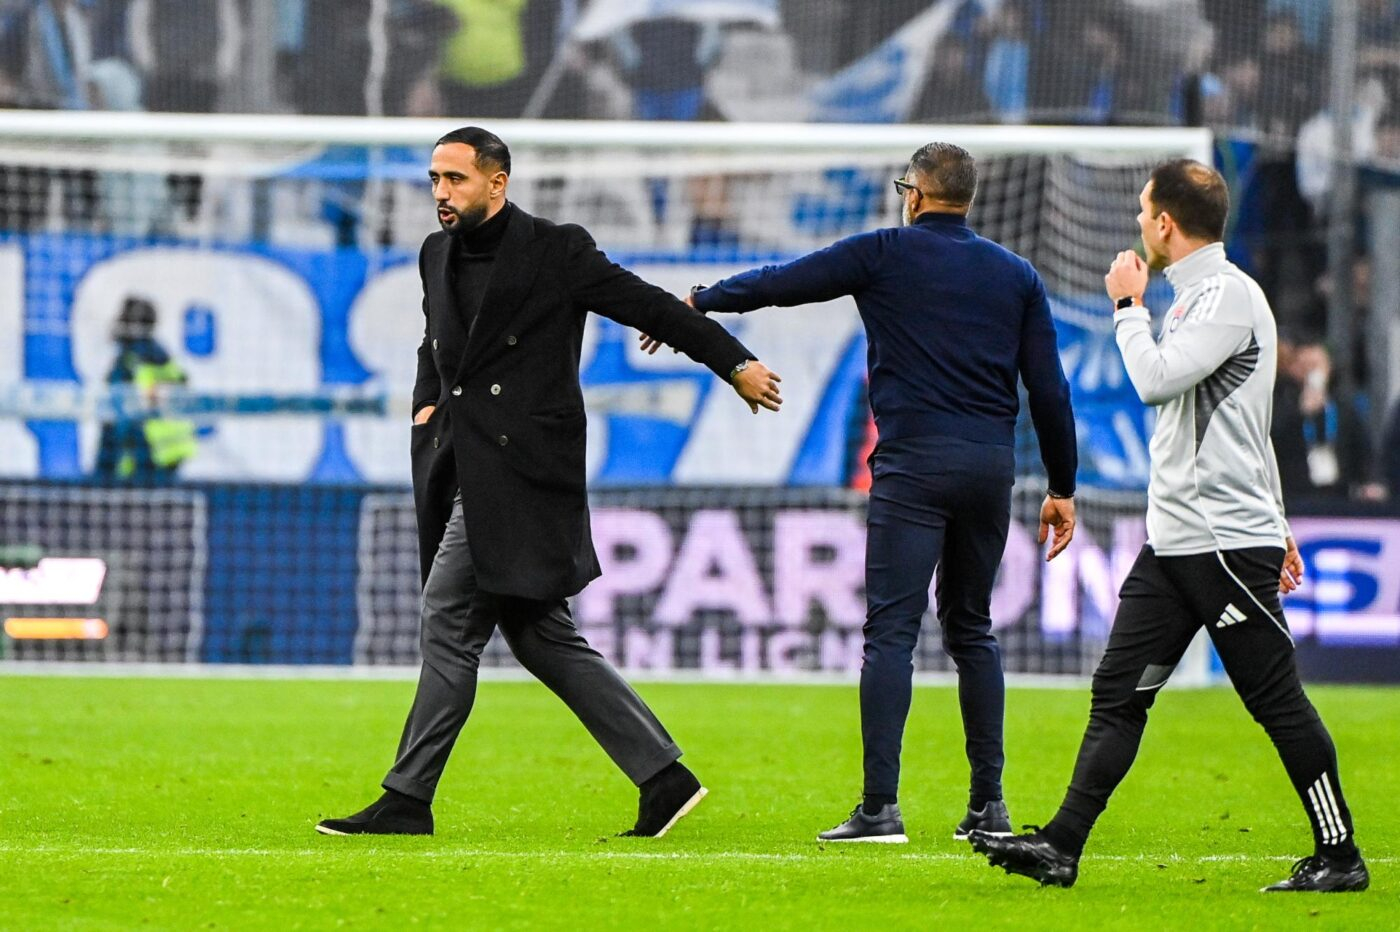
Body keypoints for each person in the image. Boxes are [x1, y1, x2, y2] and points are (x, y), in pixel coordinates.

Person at [316, 126, 783, 838]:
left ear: (497, 182)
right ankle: (665, 778)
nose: (441, 192)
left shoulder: (556, 249)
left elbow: (649, 307)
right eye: (435, 179)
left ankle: (407, 797)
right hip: (460, 461)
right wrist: (425, 403)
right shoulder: (435, 253)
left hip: (525, 472)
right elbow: (433, 342)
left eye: (455, 179)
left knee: (447, 614)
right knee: (539, 635)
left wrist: (734, 363)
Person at [644, 142, 1078, 844]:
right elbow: (1050, 390)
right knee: (972, 629)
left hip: (913, 466)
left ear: (915, 195)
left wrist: (700, 299)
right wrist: (1062, 485)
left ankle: (881, 808)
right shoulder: (1016, 274)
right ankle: (988, 807)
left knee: (892, 633)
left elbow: (783, 282)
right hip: (989, 469)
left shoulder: (883, 252)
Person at [969, 159, 1369, 893]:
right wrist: (1281, 522)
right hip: (1178, 540)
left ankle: (1340, 855)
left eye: (1142, 210)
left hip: (1221, 543)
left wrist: (1127, 306)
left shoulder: (1227, 295)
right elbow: (1250, 430)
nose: (1136, 224)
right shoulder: (1194, 298)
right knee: (1118, 693)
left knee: (1275, 699)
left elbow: (1155, 382)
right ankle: (1061, 845)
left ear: (1164, 222)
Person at [93, 296, 196, 484]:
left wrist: (103, 474)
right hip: (170, 452)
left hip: (143, 454)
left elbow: (117, 421)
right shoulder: (166, 361)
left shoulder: (128, 363)